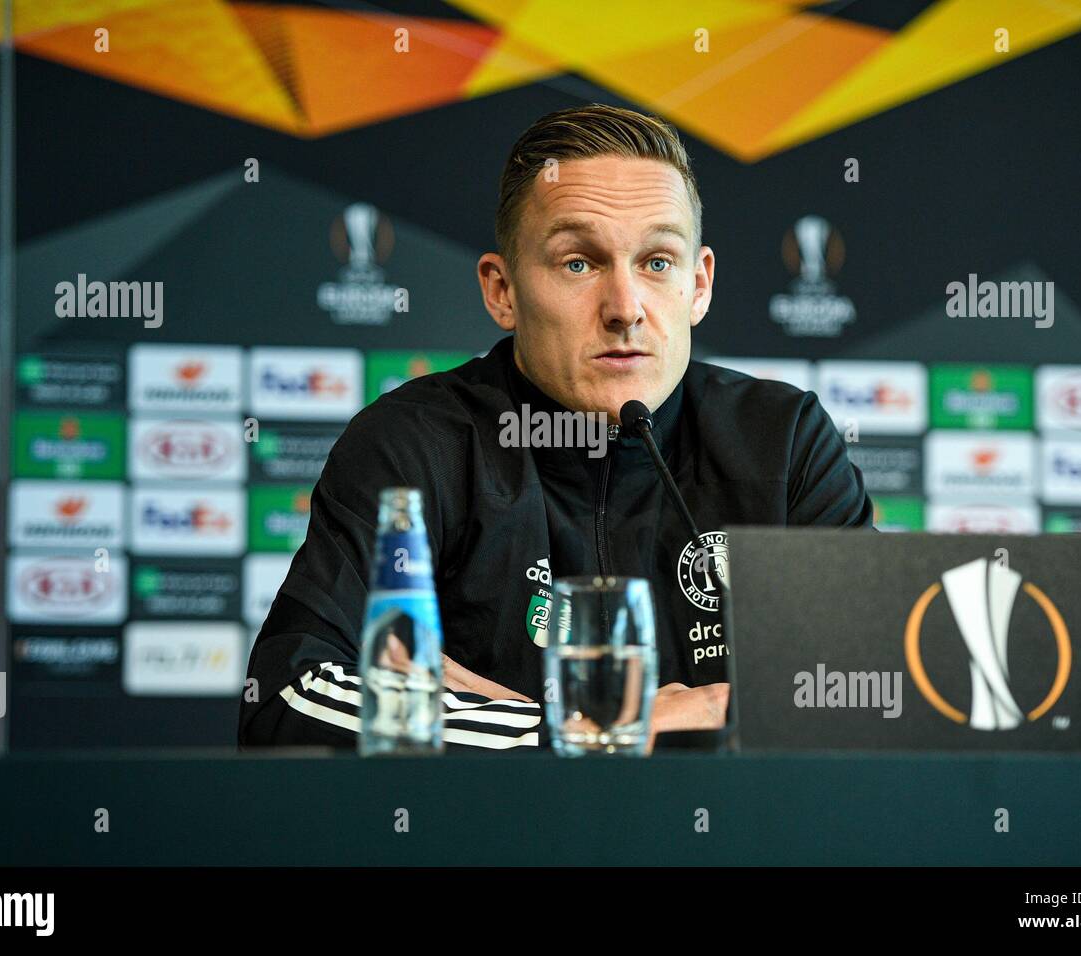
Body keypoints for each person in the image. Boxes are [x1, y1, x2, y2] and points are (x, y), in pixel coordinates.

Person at [239, 103, 873, 752]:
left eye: (657, 262)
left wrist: (458, 712)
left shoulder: (783, 440)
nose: (626, 309)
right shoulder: (412, 446)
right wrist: (577, 731)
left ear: (700, 285)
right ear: (502, 290)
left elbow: (875, 695)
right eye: (579, 263)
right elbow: (289, 700)